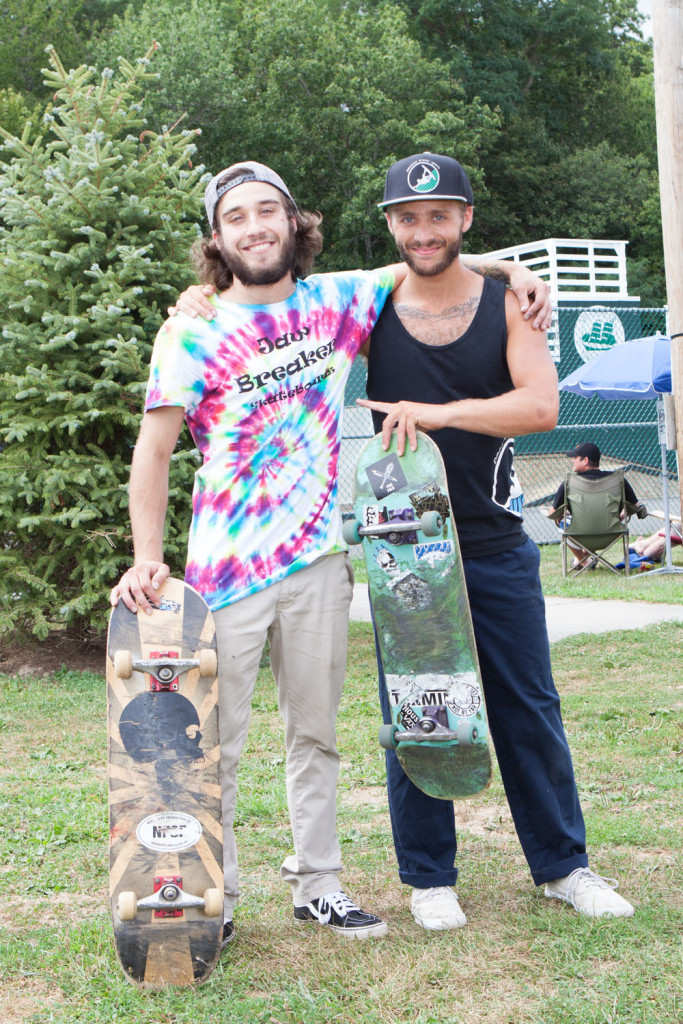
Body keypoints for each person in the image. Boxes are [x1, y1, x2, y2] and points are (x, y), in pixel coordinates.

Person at [112, 159, 551, 946]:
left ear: (293, 221)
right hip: (226, 574)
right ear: (217, 236)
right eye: (236, 216)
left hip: (317, 563)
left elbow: (430, 254)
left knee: (314, 737)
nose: (255, 226)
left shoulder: (336, 300)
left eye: (268, 211)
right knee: (217, 747)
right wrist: (150, 555)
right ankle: (220, 898)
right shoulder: (192, 328)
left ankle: (319, 887)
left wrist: (513, 267)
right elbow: (153, 451)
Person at [356, 152, 634, 927]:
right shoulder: (369, 305)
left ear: (465, 218)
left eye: (440, 215)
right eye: (407, 217)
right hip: (403, 547)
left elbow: (540, 407)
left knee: (527, 707)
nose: (423, 230)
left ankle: (563, 867)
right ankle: (428, 879)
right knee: (419, 705)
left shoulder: (505, 305)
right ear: (389, 225)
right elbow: (279, 313)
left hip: (492, 540)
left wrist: (439, 413)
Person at [551, 442, 641, 569]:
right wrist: (623, 514)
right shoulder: (618, 479)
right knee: (591, 520)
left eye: (575, 458)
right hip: (611, 532)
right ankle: (584, 558)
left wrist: (561, 513)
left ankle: (583, 562)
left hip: (579, 533)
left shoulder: (569, 482)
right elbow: (636, 506)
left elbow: (551, 513)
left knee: (561, 520)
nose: (572, 461)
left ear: (585, 460)